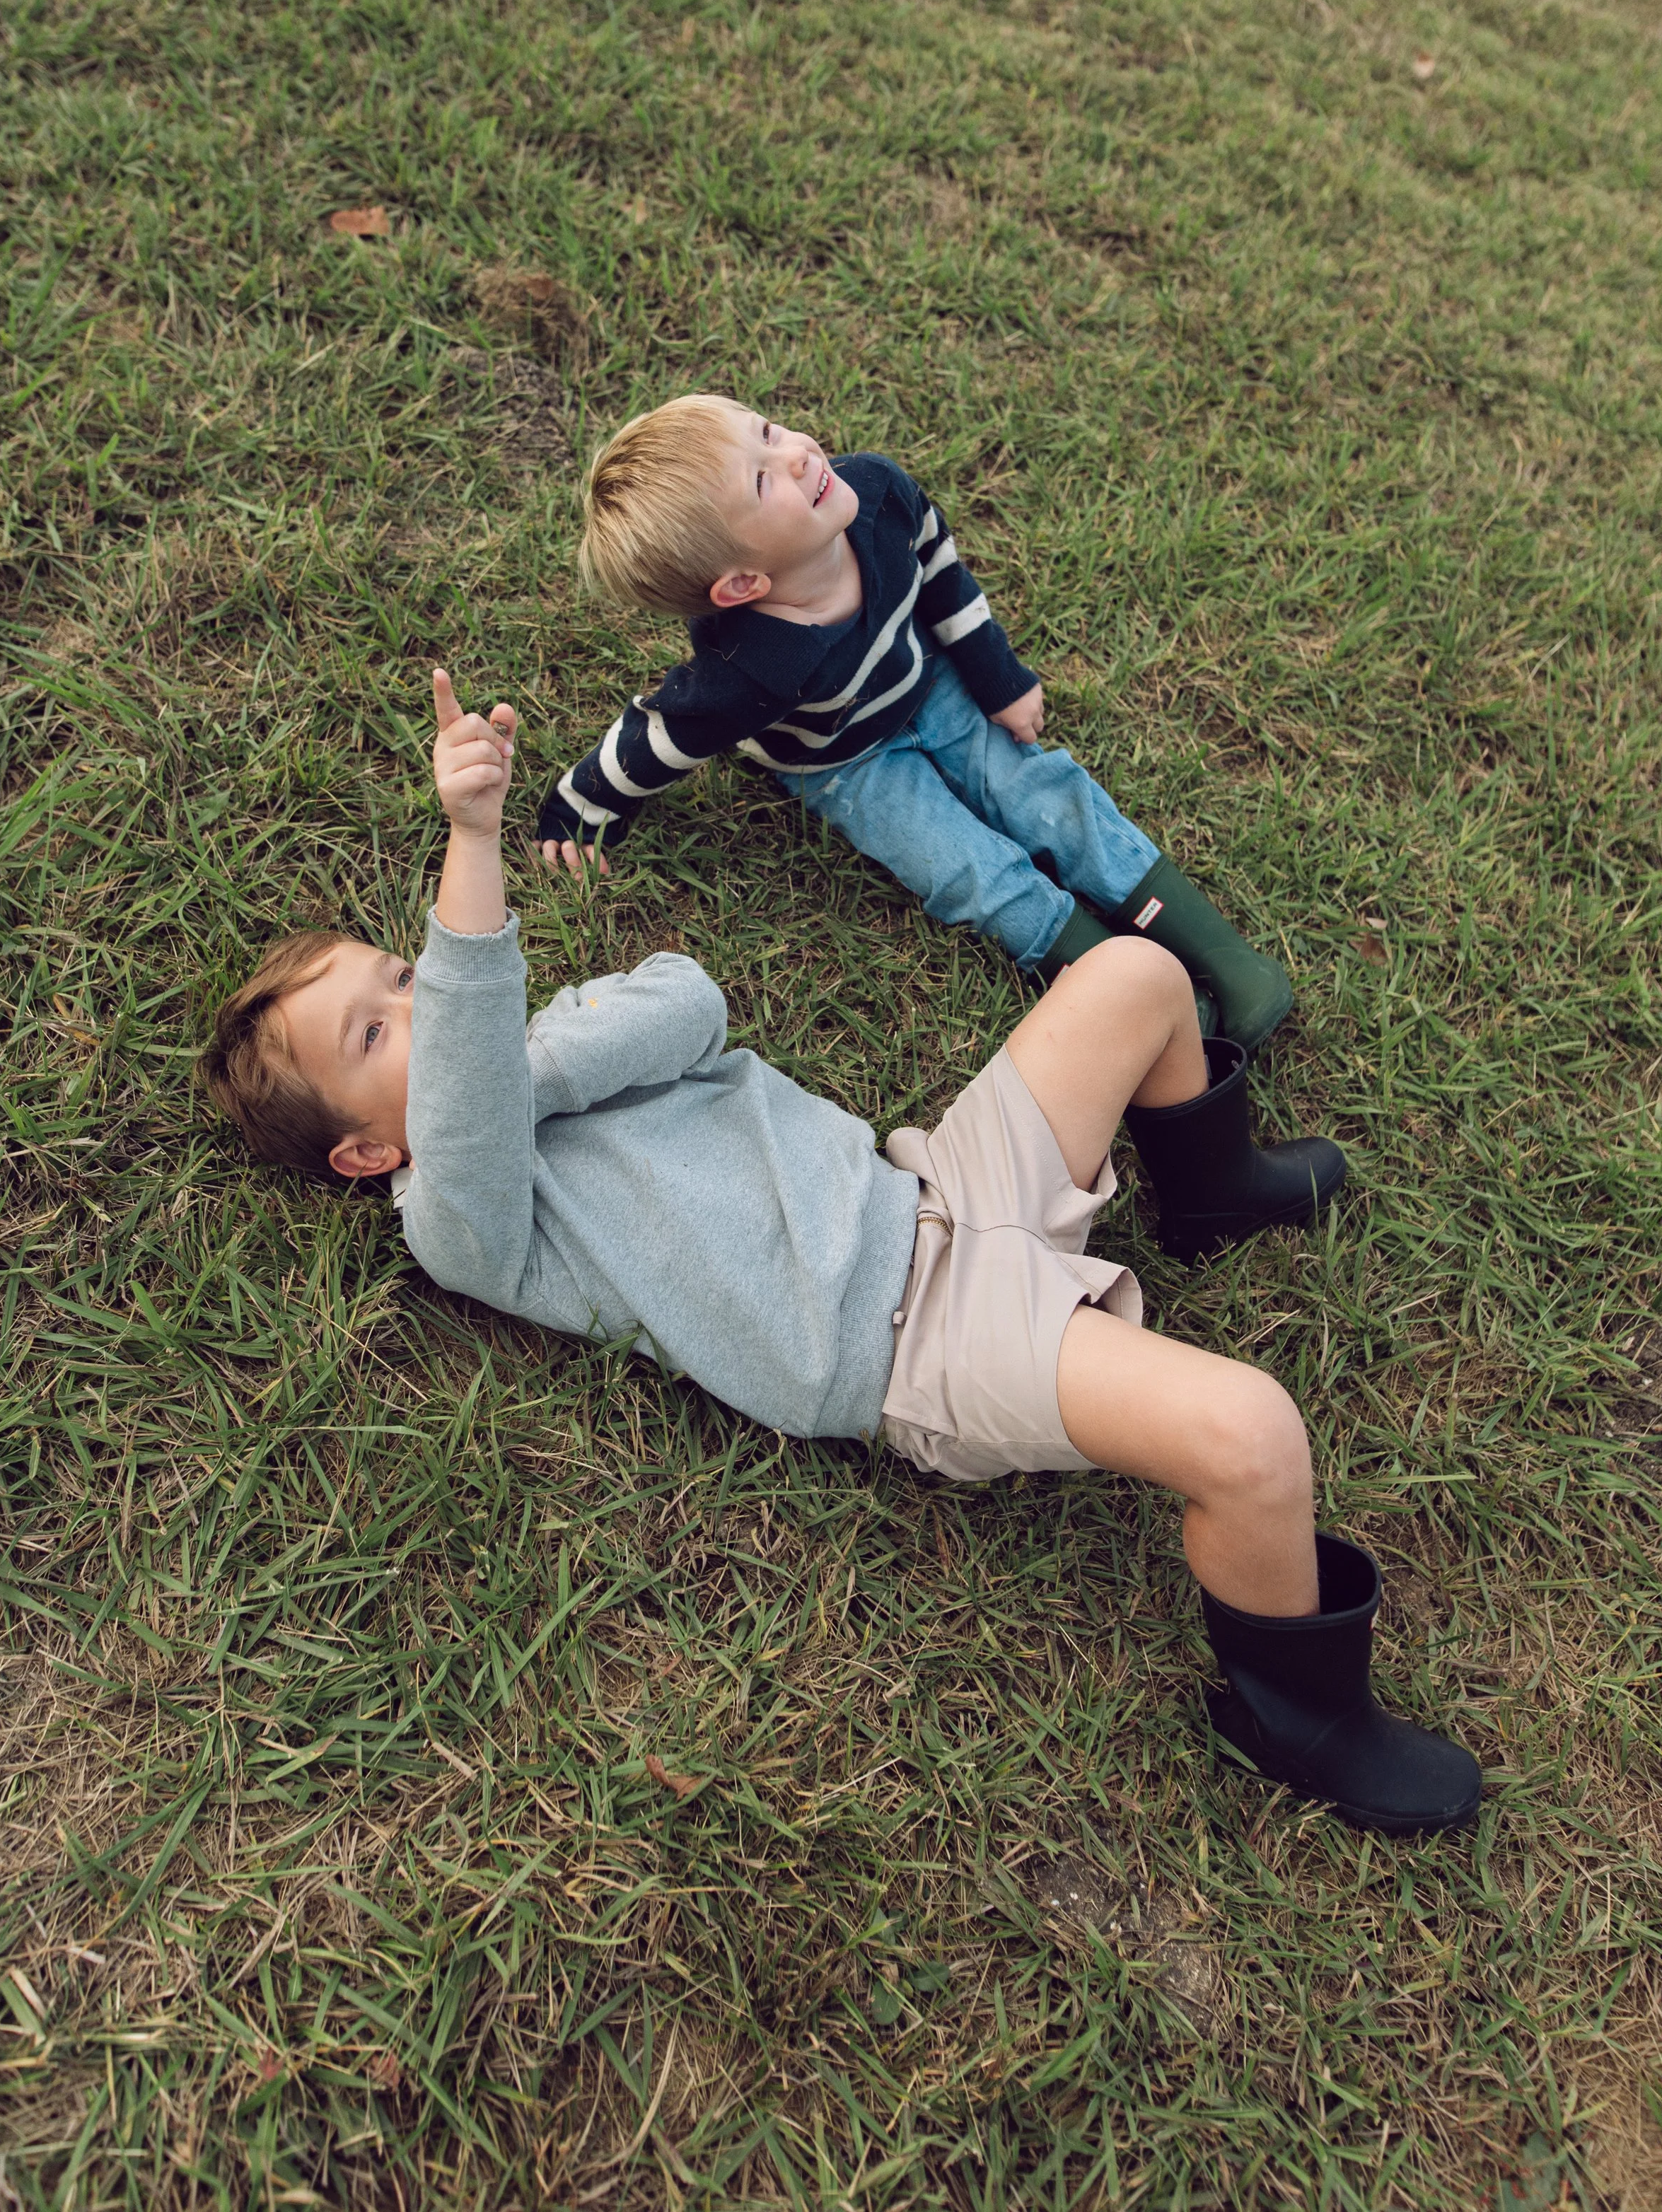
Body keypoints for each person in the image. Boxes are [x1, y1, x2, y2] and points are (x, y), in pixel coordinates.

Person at [200, 668, 1479, 1837]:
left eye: (404, 978)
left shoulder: (558, 1039)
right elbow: (473, 1117)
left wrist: (523, 1065)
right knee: (1252, 1438)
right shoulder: (458, 1221)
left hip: (936, 1187)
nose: (420, 998)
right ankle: (1296, 1717)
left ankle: (1213, 1192)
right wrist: (472, 850)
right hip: (920, 1344)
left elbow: (688, 1000)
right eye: (373, 1034)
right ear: (368, 1155)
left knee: (1140, 978)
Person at [535, 395, 1291, 1053]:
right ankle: (1134, 996)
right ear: (742, 583)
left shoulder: (877, 492)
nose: (796, 453)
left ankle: (1223, 958)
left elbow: (940, 569)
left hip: (933, 688)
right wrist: (576, 815)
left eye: (768, 430)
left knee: (1044, 795)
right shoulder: (747, 672)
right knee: (966, 867)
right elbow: (657, 738)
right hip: (848, 766)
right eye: (764, 478)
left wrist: (1000, 680)